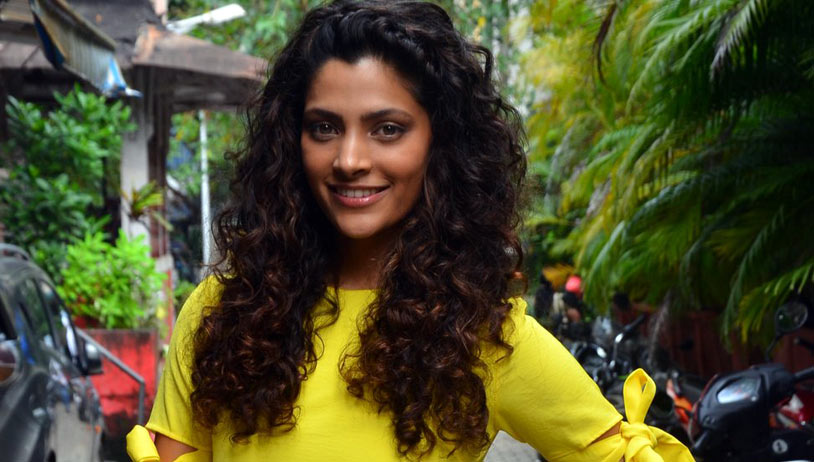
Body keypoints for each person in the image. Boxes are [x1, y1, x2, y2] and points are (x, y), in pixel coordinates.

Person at [127, 1, 694, 461]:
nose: (349, 159)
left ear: (439, 145)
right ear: (290, 142)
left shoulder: (484, 336)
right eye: (324, 127)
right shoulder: (223, 311)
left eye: (387, 129)